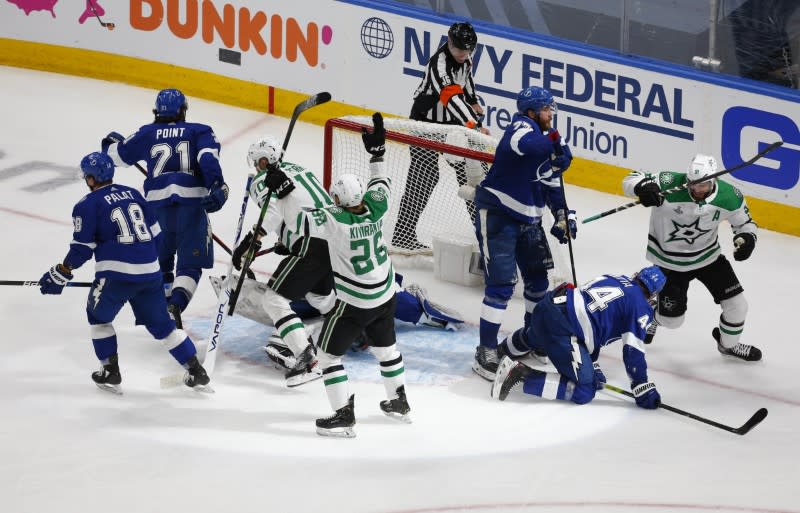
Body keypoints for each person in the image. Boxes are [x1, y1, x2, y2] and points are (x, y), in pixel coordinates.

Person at [38, 152, 211, 394]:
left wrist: (63, 271)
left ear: (90, 178)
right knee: (164, 327)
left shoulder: (86, 205)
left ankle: (110, 371)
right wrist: (142, 264)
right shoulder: (134, 194)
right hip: (151, 275)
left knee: (98, 318)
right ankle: (195, 370)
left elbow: (81, 249)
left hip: (116, 276)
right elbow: (158, 237)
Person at [297, 112, 410, 438]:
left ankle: (343, 414)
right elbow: (380, 183)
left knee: (326, 355)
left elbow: (300, 223)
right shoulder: (377, 205)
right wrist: (377, 154)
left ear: (337, 199)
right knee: (387, 351)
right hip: (386, 295)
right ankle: (399, 402)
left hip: (355, 303)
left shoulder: (334, 220)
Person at [470, 85, 574, 381]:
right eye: (546, 109)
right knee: (501, 285)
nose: (550, 114)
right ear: (531, 111)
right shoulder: (520, 126)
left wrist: (564, 215)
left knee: (539, 283)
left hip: (530, 221)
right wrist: (554, 144)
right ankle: (486, 351)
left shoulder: (548, 135)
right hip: (499, 215)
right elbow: (525, 146)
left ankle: (532, 338)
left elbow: (552, 182)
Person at [101, 88, 229, 329]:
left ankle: (164, 306)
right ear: (183, 111)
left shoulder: (146, 133)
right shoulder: (200, 130)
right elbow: (207, 160)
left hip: (155, 209)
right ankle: (176, 306)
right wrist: (217, 186)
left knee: (161, 263)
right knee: (189, 265)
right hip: (191, 205)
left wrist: (109, 144)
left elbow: (113, 157)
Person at [622, 154, 761, 361]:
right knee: (672, 322)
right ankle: (653, 310)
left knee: (738, 306)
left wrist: (747, 238)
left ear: (713, 181)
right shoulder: (669, 182)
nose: (696, 189)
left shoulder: (729, 196)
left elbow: (745, 224)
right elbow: (630, 179)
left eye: (702, 185)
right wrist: (642, 187)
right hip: (668, 263)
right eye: (692, 183)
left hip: (709, 259)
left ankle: (728, 345)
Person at [230, 135, 337, 387]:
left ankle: (307, 361)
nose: (257, 168)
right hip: (334, 239)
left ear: (263, 161)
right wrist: (287, 240)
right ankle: (352, 326)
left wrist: (252, 241)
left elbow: (274, 210)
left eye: (258, 163)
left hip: (311, 242)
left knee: (274, 299)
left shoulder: (263, 178)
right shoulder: (301, 170)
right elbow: (303, 204)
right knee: (318, 297)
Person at [492, 266, 666, 409]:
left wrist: (591, 363)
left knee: (534, 336)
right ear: (652, 295)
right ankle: (520, 375)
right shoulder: (641, 307)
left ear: (637, 275)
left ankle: (500, 351)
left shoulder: (613, 277)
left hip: (549, 305)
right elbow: (633, 352)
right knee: (585, 390)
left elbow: (593, 319)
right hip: (563, 329)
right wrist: (641, 387)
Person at [392, 21, 491, 252]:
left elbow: (466, 85)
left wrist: (475, 102)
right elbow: (452, 98)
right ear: (448, 43)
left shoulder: (465, 58)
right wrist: (474, 125)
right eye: (458, 49)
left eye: (467, 51)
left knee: (472, 176)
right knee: (425, 176)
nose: (463, 54)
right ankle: (402, 235)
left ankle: (486, 235)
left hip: (452, 125)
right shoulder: (439, 64)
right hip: (426, 125)